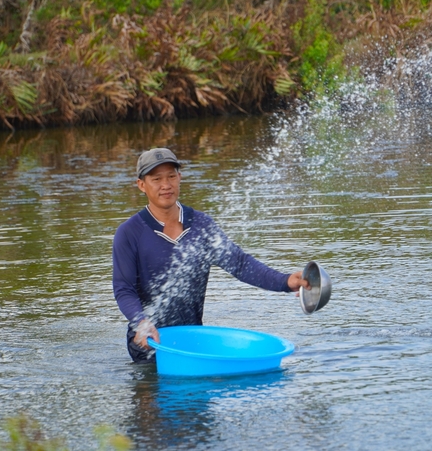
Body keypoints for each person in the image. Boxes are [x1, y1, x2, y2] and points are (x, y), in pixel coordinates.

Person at [113, 147, 309, 363]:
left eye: (171, 176)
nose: (166, 185)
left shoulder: (201, 225)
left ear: (180, 178)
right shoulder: (129, 233)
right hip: (147, 343)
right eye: (156, 179)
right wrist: (141, 322)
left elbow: (240, 264)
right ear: (141, 185)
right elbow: (124, 290)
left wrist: (285, 281)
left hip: (192, 340)